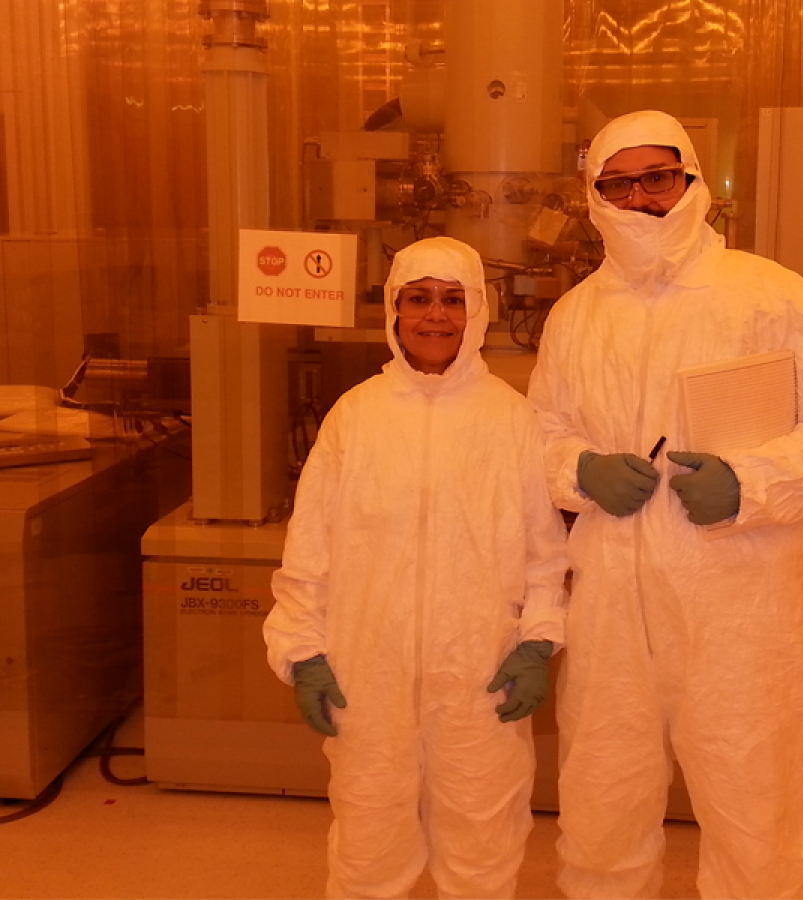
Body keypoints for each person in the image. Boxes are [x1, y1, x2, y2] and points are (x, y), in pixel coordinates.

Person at [527, 110, 803, 899]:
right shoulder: (577, 315)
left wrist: (751, 485)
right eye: (618, 183)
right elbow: (539, 437)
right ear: (595, 196)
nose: (641, 198)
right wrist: (579, 471)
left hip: (740, 610)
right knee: (600, 812)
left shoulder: (768, 294)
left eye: (657, 178)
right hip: (613, 610)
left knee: (756, 817)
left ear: (693, 183)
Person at [263, 236, 569, 899]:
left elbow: (546, 556)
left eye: (453, 300)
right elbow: (308, 550)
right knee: (368, 850)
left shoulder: (511, 421)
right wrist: (303, 651)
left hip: (480, 679)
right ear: (394, 311)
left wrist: (537, 643)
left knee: (483, 853)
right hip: (366, 679)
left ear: (478, 311)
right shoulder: (356, 418)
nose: (436, 316)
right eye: (419, 299)